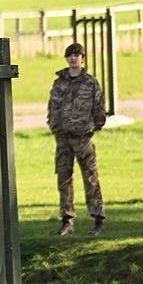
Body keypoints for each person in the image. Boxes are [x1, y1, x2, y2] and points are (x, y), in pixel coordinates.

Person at [47, 42, 107, 235]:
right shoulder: (59, 83)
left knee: (90, 177)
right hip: (63, 138)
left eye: (77, 55)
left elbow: (99, 108)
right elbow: (52, 107)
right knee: (64, 179)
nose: (73, 58)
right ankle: (67, 220)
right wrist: (55, 126)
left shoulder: (90, 83)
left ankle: (98, 218)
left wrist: (93, 127)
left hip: (83, 138)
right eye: (70, 55)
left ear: (83, 58)